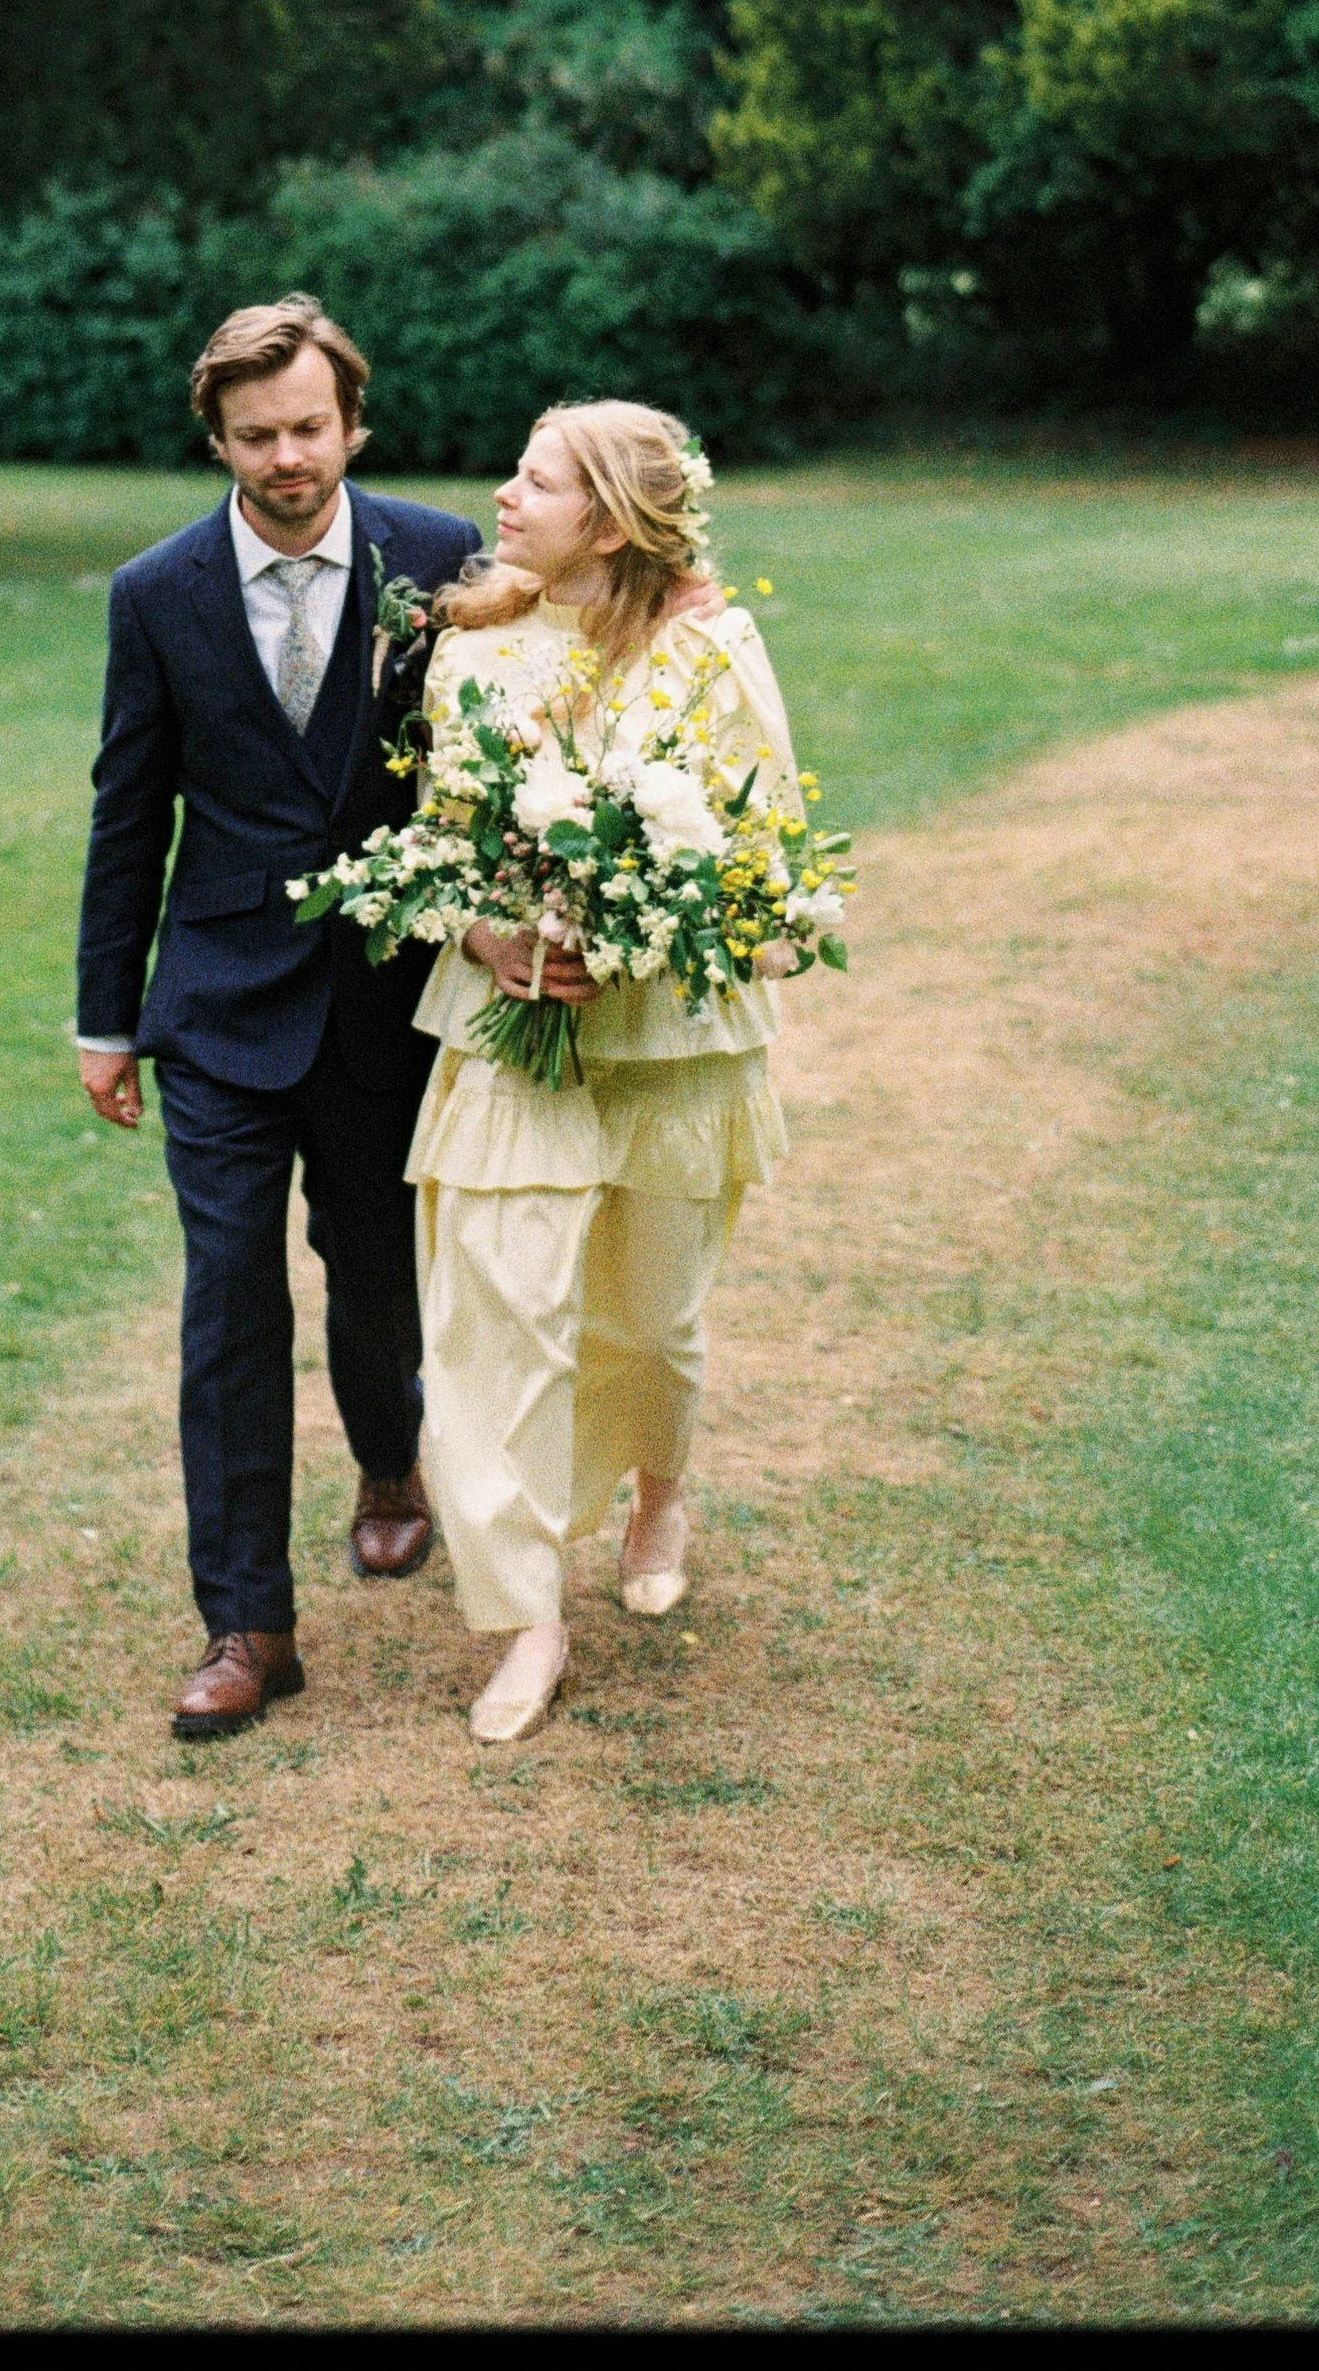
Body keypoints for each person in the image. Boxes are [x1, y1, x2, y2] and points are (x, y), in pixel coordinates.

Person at [75, 297, 481, 1740]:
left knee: (374, 1267)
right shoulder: (159, 593)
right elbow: (131, 812)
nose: (289, 457)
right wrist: (102, 1017)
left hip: (387, 999)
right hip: (220, 1004)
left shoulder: (439, 562)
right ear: (217, 437)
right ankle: (247, 1619)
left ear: (351, 423)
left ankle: (390, 1456)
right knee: (229, 1296)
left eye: (311, 427)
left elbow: (497, 761)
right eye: (258, 435)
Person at [407, 401, 802, 1744]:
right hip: (511, 1034)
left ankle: (660, 1484)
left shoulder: (709, 647)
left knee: (647, 1320)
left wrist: (644, 926)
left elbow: (764, 855)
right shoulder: (473, 647)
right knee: (494, 1320)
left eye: (537, 480)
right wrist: (499, 933)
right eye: (510, 469)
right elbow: (437, 847)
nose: (504, 496)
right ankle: (529, 1617)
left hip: (670, 1041)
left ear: (615, 517)